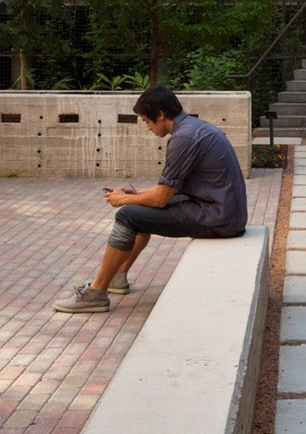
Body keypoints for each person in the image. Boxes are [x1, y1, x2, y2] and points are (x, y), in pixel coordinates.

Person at [53, 85, 248, 313]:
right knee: (139, 212)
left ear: (161, 114)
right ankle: (117, 276)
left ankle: (96, 293)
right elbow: (166, 190)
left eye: (146, 120)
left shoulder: (183, 138)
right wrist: (134, 193)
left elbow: (160, 200)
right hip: (223, 212)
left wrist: (124, 201)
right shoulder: (195, 128)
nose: (147, 127)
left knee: (127, 215)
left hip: (216, 219)